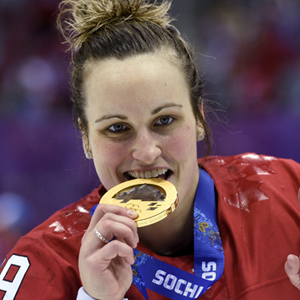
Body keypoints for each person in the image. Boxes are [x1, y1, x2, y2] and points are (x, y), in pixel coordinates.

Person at [0, 0, 300, 299]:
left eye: (164, 121)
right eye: (117, 128)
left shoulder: (288, 193)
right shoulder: (42, 264)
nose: (146, 152)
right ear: (86, 138)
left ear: (198, 118)